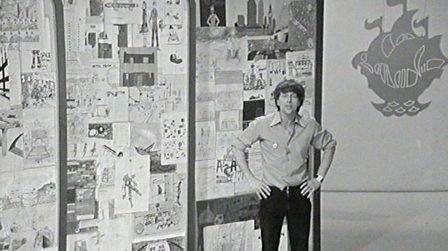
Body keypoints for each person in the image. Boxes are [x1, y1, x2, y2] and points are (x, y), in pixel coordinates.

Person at [231, 79, 336, 251]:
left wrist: (318, 179)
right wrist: (252, 180)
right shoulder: (262, 124)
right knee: (269, 246)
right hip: (272, 194)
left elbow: (330, 145)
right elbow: (237, 146)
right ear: (277, 101)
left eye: (294, 97)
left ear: (300, 101)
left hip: (299, 193)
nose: (289, 101)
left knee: (300, 246)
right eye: (284, 96)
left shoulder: (309, 125)